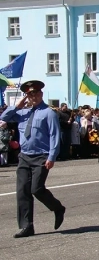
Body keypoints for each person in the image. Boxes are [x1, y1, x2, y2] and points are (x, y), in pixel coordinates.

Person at [0, 80, 65, 238]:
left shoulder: (48, 113)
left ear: (41, 94)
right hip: (24, 157)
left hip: (41, 156)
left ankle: (57, 208)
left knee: (36, 189)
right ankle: (26, 226)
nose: (33, 96)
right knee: (22, 191)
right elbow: (4, 117)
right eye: (29, 94)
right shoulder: (23, 113)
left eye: (35, 93)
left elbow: (54, 135)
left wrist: (52, 156)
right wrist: (17, 106)